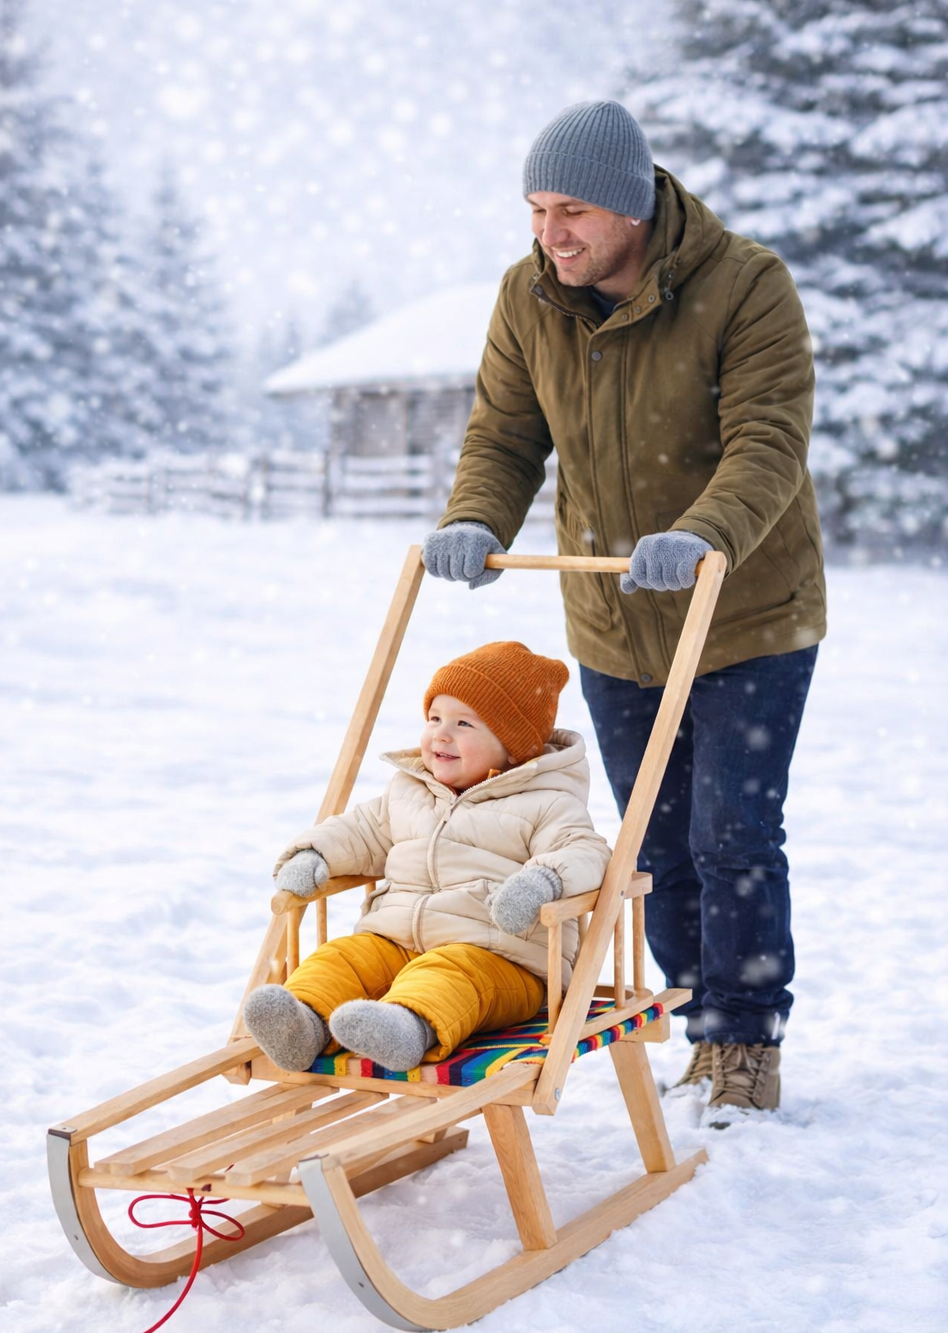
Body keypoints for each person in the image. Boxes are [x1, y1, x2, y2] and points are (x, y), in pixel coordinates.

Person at [423, 100, 825, 1118]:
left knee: (731, 834)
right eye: (534, 209)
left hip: (742, 613)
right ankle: (696, 1016)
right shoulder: (529, 296)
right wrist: (476, 517)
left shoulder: (744, 285)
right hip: (610, 621)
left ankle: (744, 1043)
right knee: (654, 844)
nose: (548, 233)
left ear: (631, 205)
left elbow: (767, 438)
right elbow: (504, 435)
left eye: (569, 211)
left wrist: (704, 533)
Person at [243, 641, 611, 1074]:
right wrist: (315, 852)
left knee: (450, 973)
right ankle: (302, 1023)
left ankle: (406, 1028)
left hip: (500, 960)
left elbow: (585, 851)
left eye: (463, 723)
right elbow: (362, 831)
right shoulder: (410, 791)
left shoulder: (545, 803)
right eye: (434, 718)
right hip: (397, 941)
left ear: (512, 747)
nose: (441, 733)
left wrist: (541, 882)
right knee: (345, 957)